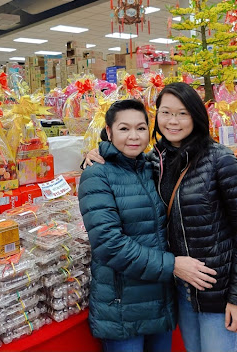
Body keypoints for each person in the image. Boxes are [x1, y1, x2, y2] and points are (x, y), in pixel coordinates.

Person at [84, 83, 237, 352]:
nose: (173, 121)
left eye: (182, 113)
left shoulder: (220, 160)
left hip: (217, 291)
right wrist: (93, 155)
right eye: (166, 113)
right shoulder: (156, 161)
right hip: (181, 291)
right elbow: (109, 234)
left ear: (196, 116)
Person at [79, 98, 217, 352]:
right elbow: (109, 245)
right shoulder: (96, 175)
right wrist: (173, 265)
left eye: (141, 128)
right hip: (123, 308)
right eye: (124, 129)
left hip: (160, 302)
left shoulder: (151, 167)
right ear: (108, 132)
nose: (134, 136)